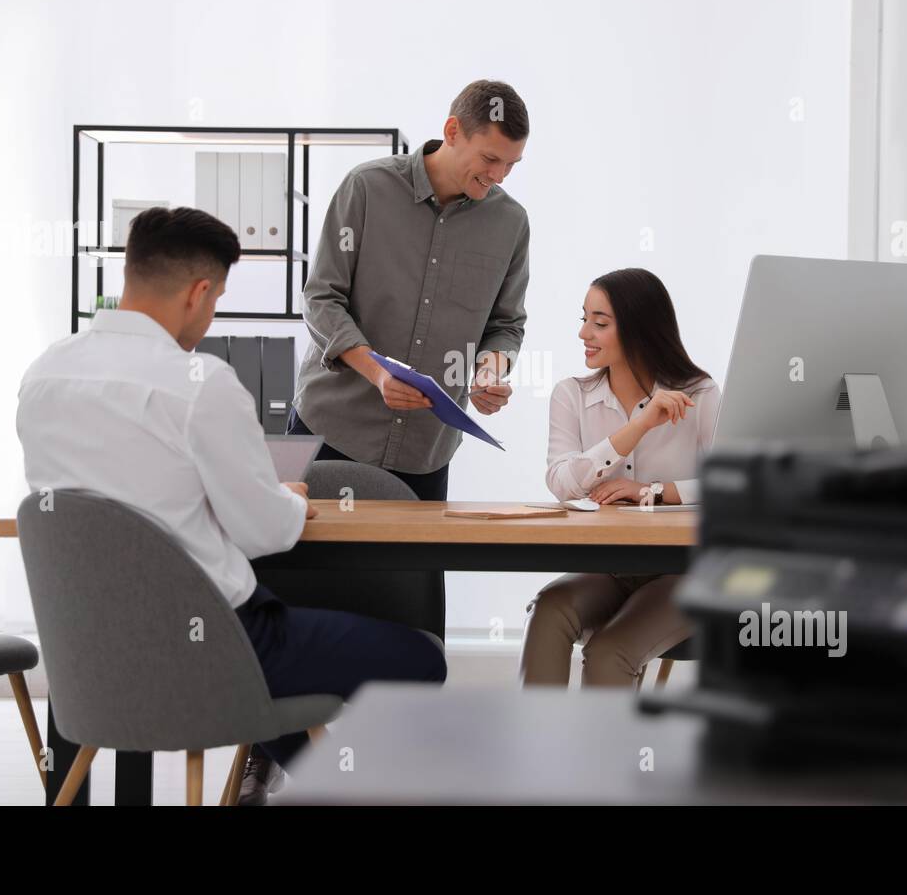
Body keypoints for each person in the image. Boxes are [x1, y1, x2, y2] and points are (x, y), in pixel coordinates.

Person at [17, 207, 446, 804]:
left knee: (277, 662)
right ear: (198, 293)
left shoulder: (43, 374)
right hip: (211, 648)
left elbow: (101, 509)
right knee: (421, 656)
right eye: (216, 298)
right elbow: (263, 531)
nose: (211, 312)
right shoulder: (199, 383)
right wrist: (286, 499)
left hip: (88, 653)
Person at [291, 80, 531, 501]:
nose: (498, 176)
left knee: (408, 570)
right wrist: (378, 374)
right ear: (453, 131)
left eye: (511, 165)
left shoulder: (510, 223)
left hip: (425, 453)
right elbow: (321, 298)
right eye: (491, 158)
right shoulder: (366, 188)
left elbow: (506, 324)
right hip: (328, 430)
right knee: (300, 567)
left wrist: (488, 372)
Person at [519, 268, 720, 688]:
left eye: (600, 323)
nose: (583, 334)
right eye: (584, 318)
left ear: (640, 328)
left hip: (681, 573)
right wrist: (638, 426)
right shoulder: (571, 394)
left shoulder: (699, 395)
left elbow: (730, 487)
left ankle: (608, 756)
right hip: (606, 568)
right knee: (549, 610)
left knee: (610, 652)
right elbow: (561, 482)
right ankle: (536, 748)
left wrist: (652, 492)